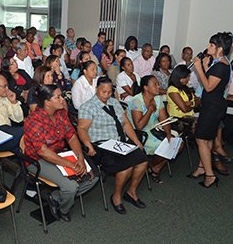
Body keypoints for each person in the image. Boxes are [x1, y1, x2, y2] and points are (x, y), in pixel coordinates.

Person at [24, 85, 98, 222]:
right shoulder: (33, 120)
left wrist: (80, 158)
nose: (62, 99)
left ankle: (56, 197)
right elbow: (43, 152)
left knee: (93, 176)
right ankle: (63, 209)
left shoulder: (61, 113)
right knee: (71, 187)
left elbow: (72, 136)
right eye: (57, 97)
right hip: (38, 160)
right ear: (47, 102)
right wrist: (71, 164)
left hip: (60, 154)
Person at [77, 77, 149, 214]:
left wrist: (137, 142)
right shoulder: (87, 107)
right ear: (96, 89)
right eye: (104, 92)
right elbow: (81, 129)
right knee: (126, 166)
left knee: (143, 160)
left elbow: (126, 124)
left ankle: (131, 192)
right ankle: (116, 196)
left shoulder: (114, 103)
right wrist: (87, 144)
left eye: (110, 92)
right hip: (101, 146)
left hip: (119, 143)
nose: (107, 95)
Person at [189, 32, 233, 188]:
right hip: (212, 105)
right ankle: (202, 168)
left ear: (219, 49)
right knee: (207, 138)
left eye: (211, 45)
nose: (208, 47)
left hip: (213, 107)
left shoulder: (222, 66)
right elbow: (210, 80)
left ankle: (210, 175)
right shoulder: (219, 63)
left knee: (201, 139)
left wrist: (199, 67)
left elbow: (208, 87)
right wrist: (206, 67)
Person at [128, 75, 172, 184]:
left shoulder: (157, 98)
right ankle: (151, 164)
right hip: (140, 134)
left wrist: (168, 134)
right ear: (145, 87)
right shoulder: (136, 101)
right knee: (164, 147)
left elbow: (164, 119)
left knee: (176, 145)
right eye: (155, 84)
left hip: (155, 129)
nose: (158, 87)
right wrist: (149, 110)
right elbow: (139, 126)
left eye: (158, 84)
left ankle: (154, 167)